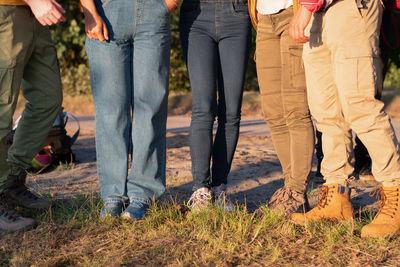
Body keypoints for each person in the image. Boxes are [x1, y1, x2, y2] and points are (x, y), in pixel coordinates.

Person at [289, 0, 400, 238]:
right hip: (319, 11)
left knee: (360, 106)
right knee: (327, 112)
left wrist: (306, 6)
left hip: (351, 5)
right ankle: (336, 196)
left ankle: (395, 190)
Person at [81, 0, 179, 219]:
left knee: (150, 107)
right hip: (105, 10)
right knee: (111, 109)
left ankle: (143, 193)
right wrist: (89, 10)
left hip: (154, 9)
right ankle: (113, 194)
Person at [179, 0, 252, 210]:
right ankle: (201, 190)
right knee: (204, 107)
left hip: (237, 13)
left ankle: (220, 188)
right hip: (196, 14)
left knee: (231, 111)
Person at [0, 0, 65, 232]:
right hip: (6, 10)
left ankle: (11, 182)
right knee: (1, 108)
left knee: (48, 99)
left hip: (37, 16)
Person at [248, 0, 315, 215]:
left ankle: (296, 190)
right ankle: (290, 190)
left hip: (293, 12)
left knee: (296, 110)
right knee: (273, 113)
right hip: (264, 18)